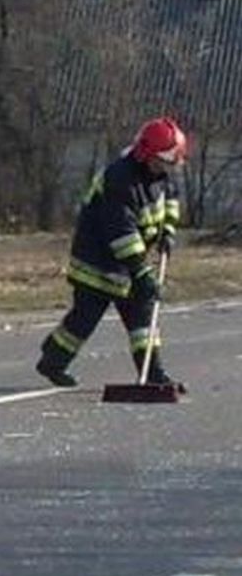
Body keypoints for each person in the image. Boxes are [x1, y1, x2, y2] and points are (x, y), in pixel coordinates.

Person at [36, 117, 186, 388]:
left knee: (142, 317)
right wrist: (142, 272)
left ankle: (154, 375)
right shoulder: (120, 179)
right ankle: (53, 360)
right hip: (98, 261)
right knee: (84, 319)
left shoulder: (161, 175)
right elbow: (122, 232)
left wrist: (169, 232)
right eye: (166, 161)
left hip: (130, 262)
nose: (170, 167)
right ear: (148, 155)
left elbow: (171, 201)